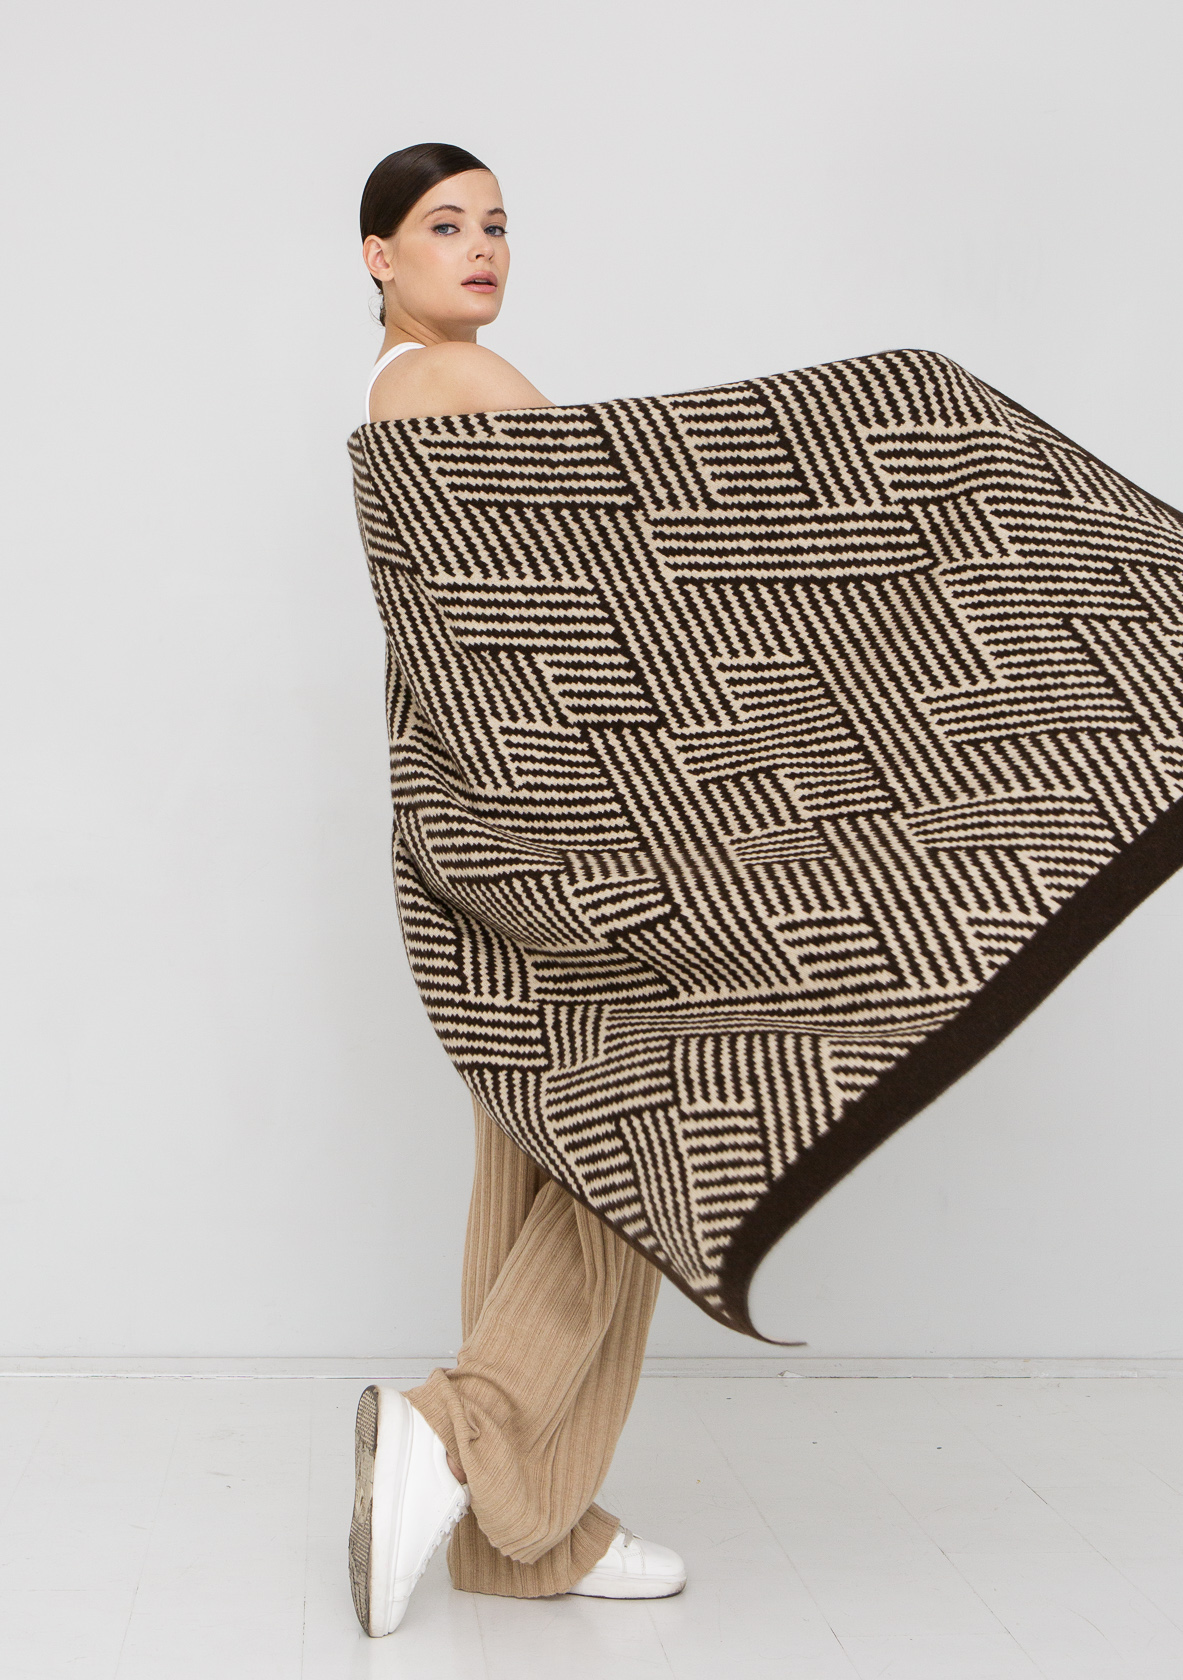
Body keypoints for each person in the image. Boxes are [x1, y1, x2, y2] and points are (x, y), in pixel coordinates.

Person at [347, 143, 686, 1639]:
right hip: (560, 811)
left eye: (495, 225)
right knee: (657, 1125)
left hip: (478, 808)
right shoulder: (455, 379)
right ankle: (460, 1427)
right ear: (379, 257)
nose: (481, 246)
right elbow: (637, 544)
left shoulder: (396, 393)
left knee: (541, 1138)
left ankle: (520, 1538)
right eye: (444, 225)